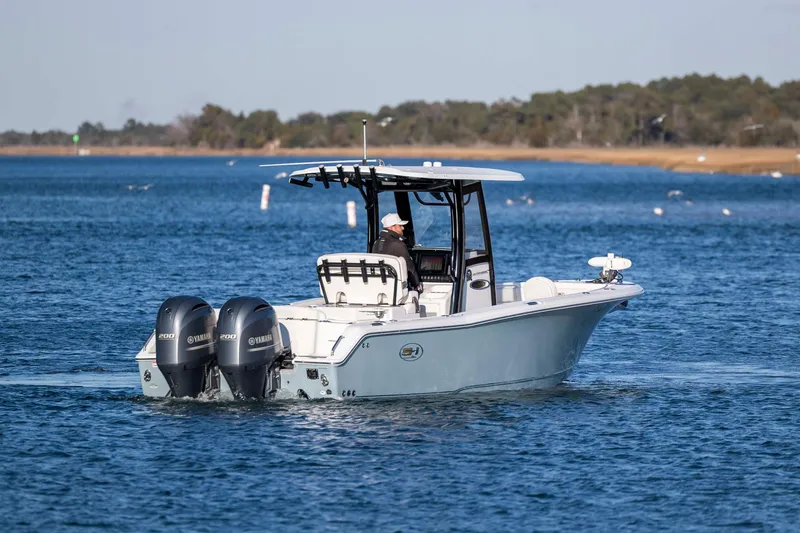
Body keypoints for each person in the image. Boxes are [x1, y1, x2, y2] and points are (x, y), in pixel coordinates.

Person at [371, 213, 422, 292]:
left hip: (380, 287)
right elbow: (410, 268)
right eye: (400, 225)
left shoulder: (376, 243)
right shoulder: (398, 245)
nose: (403, 228)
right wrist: (417, 284)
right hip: (396, 290)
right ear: (392, 227)